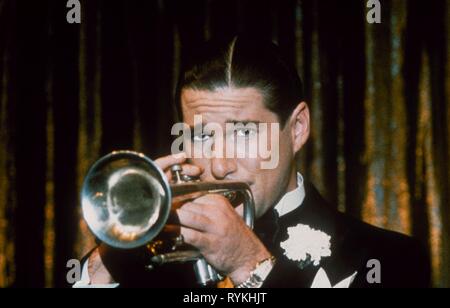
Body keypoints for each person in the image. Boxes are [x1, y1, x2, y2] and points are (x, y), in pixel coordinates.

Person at [75, 36, 430, 288]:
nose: (220, 164)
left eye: (243, 133)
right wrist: (111, 259)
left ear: (298, 129)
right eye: (201, 136)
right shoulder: (148, 264)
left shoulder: (389, 260)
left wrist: (250, 265)